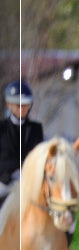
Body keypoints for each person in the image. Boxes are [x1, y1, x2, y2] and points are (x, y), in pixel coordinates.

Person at [0, 79, 44, 207]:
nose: (22, 108)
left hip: (28, 181)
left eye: (25, 105)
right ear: (9, 105)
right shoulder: (2, 128)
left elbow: (38, 157)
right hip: (4, 182)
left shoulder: (36, 129)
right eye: (18, 105)